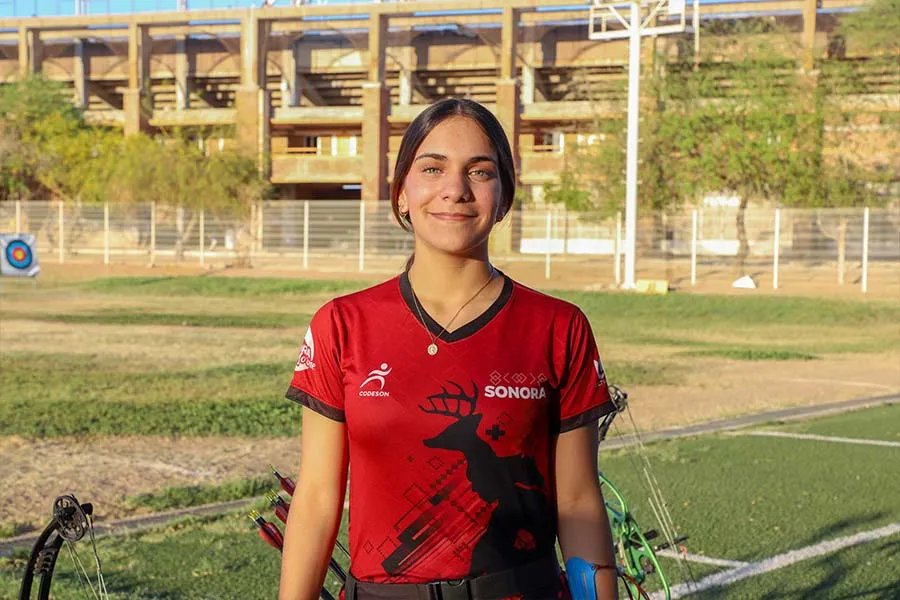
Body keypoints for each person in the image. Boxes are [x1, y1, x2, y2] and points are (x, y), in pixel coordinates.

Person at [279, 98, 619, 600]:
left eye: (480, 172)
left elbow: (578, 501)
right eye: (432, 168)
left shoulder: (558, 327)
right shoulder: (343, 325)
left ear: (504, 198)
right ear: (401, 193)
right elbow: (317, 496)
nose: (455, 189)